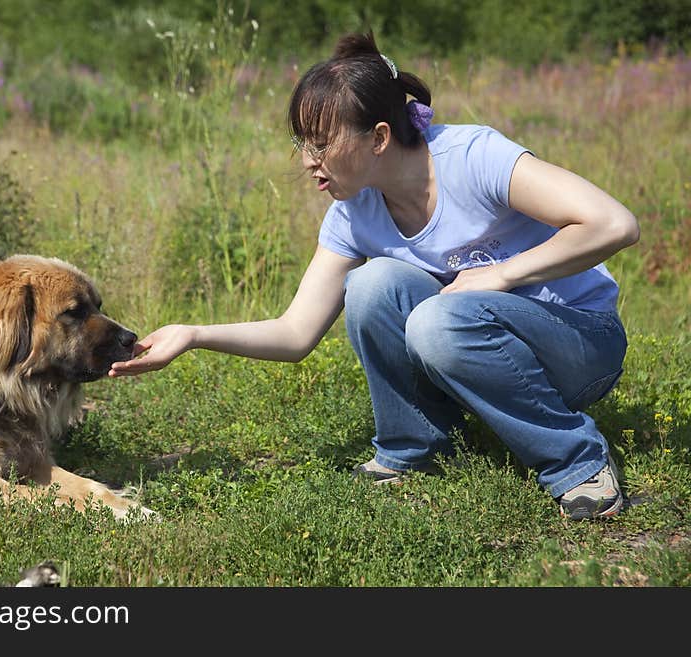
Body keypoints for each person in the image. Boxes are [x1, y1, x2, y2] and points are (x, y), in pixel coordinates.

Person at [110, 31, 639, 520]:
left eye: (321, 143)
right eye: (302, 144)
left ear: (379, 137)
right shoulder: (354, 210)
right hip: (490, 345)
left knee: (436, 320)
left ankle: (577, 463)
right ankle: (416, 449)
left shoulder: (472, 158)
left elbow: (614, 223)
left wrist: (502, 273)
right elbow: (296, 333)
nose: (309, 161)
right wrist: (193, 335)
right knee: (369, 285)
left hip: (580, 344)